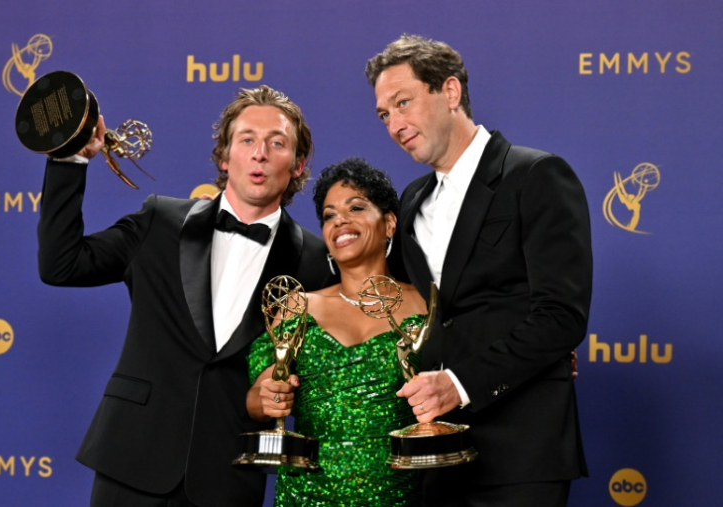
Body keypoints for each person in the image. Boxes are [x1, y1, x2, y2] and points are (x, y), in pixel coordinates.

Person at [37, 85, 331, 506]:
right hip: (133, 460)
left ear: (298, 164)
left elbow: (321, 376)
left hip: (228, 475)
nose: (260, 153)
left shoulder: (316, 261)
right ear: (225, 157)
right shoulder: (160, 221)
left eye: (277, 142)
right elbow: (60, 264)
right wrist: (69, 159)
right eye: (246, 139)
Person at [365, 35, 593, 506]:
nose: (394, 124)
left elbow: (561, 317)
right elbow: (398, 301)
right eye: (384, 114)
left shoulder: (536, 175)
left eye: (403, 102)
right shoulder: (410, 201)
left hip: (520, 453)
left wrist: (459, 384)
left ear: (450, 92)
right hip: (434, 455)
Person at [247, 158, 426, 506]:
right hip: (306, 495)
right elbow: (257, 398)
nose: (340, 220)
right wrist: (266, 397)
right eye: (329, 215)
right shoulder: (295, 308)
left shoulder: (426, 306)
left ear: (389, 223)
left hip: (403, 494)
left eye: (356, 207)